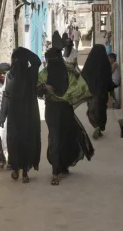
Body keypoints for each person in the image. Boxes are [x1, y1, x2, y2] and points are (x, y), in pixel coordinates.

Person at [37, 33, 94, 186]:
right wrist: (44, 88)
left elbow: (81, 87)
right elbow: (36, 88)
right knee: (55, 138)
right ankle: (55, 172)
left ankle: (63, 166)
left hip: (65, 110)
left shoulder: (70, 73)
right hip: (53, 110)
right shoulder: (46, 73)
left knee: (66, 137)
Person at [0, 47, 41, 183]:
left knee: (15, 142)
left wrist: (2, 116)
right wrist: (24, 53)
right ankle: (24, 172)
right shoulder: (30, 74)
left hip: (15, 116)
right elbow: (37, 61)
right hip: (28, 115)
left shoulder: (11, 75)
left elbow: (6, 96)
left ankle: (17, 170)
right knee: (25, 141)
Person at [82, 44, 114, 140]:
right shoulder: (106, 64)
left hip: (91, 92)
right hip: (102, 93)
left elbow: (83, 75)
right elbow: (109, 78)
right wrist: (110, 89)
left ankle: (96, 126)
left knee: (91, 111)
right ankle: (100, 127)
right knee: (101, 110)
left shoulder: (90, 62)